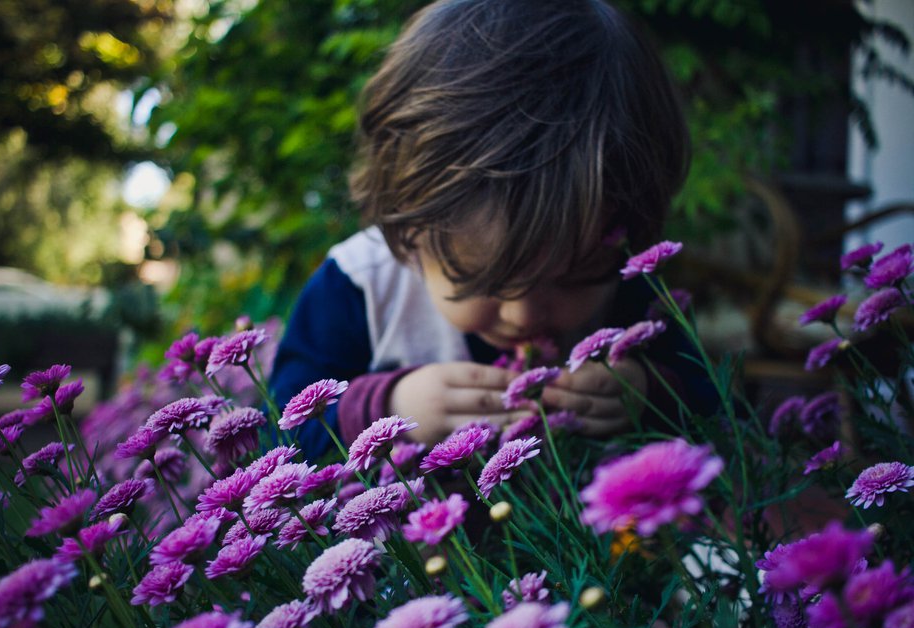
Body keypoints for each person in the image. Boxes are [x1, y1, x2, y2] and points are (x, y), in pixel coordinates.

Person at [270, 0, 714, 460]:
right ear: (409, 226)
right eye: (486, 281)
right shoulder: (361, 285)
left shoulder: (629, 279)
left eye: (567, 278)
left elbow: (715, 405)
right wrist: (384, 410)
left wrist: (648, 393)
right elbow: (280, 434)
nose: (522, 316)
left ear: (628, 233)